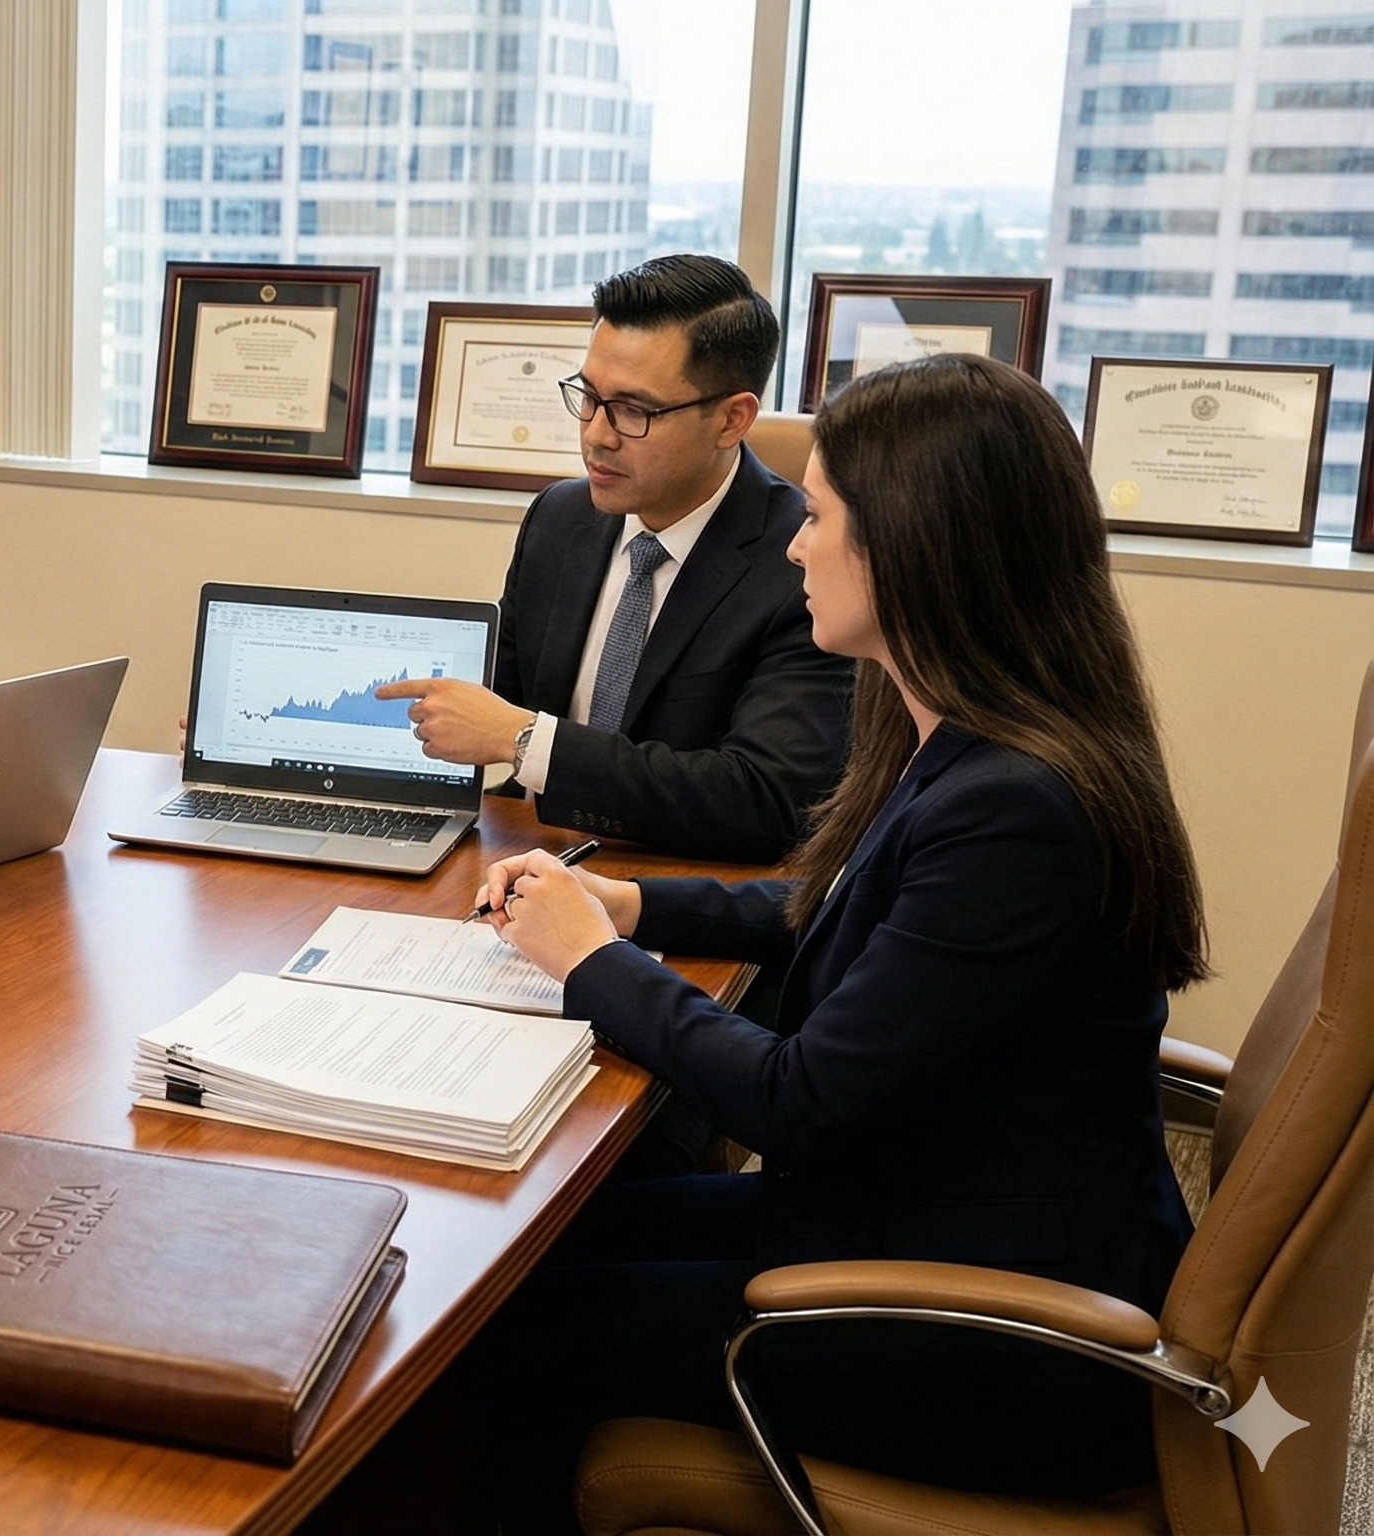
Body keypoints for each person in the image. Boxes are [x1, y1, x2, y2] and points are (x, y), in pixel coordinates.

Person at [455, 353, 1205, 1524]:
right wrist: (638, 908)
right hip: (919, 1213)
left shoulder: (1014, 805)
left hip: (978, 1330)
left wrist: (587, 963)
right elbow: (854, 902)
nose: (794, 547)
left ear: (918, 548)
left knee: (483, 1339)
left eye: (817, 518)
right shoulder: (977, 744)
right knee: (515, 1259)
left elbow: (793, 1101)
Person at [375, 255, 849, 863]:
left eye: (634, 411)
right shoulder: (560, 518)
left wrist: (525, 741)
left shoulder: (800, 563)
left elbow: (769, 800)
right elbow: (496, 697)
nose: (597, 434)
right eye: (589, 397)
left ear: (732, 419)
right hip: (532, 865)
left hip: (681, 886)